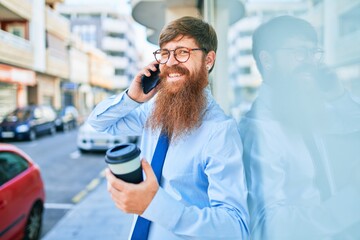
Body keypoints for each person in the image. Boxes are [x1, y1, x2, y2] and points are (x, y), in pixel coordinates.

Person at [87, 16, 249, 240]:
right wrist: (132, 98)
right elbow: (99, 122)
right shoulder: (154, 110)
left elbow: (235, 228)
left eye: (182, 52)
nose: (171, 62)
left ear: (208, 60)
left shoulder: (220, 131)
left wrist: (155, 205)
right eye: (165, 53)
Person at [239, 15, 360, 239]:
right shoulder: (259, 130)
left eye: (313, 53)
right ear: (267, 60)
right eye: (299, 53)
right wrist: (354, 199)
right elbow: (271, 226)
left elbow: (353, 124)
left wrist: (338, 96)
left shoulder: (303, 108)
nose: (311, 62)